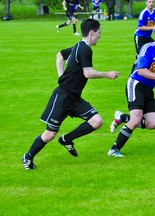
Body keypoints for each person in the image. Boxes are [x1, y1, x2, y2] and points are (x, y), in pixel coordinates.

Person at [22, 18, 120, 170]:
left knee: (97, 121)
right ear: (92, 32)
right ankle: (27, 157)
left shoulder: (78, 46)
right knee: (49, 134)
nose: (100, 36)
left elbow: (60, 55)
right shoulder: (85, 49)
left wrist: (61, 76)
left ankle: (66, 139)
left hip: (74, 98)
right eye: (99, 33)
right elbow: (87, 73)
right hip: (63, 98)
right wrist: (107, 74)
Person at [108, 28, 155, 157]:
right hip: (136, 84)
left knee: (153, 123)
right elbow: (141, 71)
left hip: (148, 90)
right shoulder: (147, 48)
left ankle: (122, 118)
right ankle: (114, 149)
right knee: (137, 118)